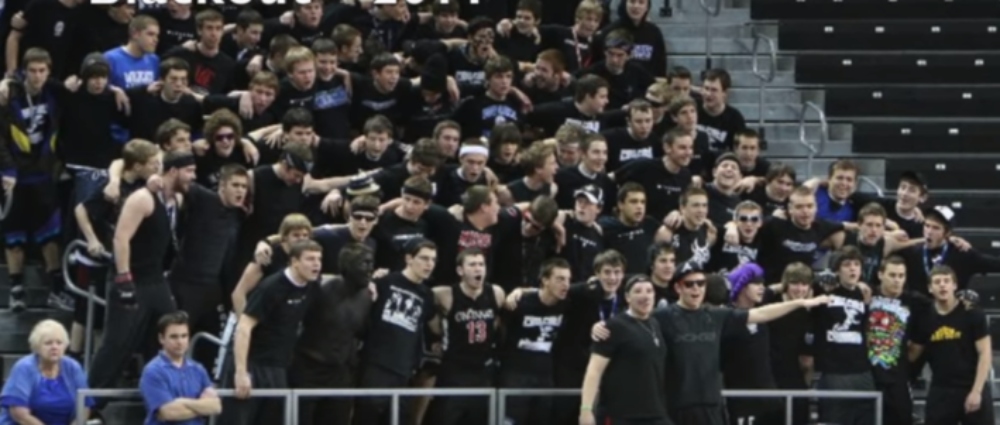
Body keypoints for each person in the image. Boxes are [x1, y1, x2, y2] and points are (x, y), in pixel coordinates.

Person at [592, 264, 831, 425]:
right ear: (678, 288)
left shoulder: (716, 316)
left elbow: (762, 313)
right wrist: (600, 327)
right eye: (689, 284)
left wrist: (799, 302)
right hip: (675, 409)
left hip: (713, 409)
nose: (696, 288)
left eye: (700, 283)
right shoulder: (661, 318)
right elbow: (632, 319)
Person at [89, 150, 197, 391]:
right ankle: (88, 406)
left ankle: (163, 400)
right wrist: (124, 279)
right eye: (189, 171)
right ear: (172, 171)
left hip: (156, 280)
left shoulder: (176, 200)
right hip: (131, 279)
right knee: (117, 344)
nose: (193, 176)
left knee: (171, 336)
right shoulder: (143, 198)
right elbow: (120, 238)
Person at [220, 240, 322, 425]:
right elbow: (244, 327)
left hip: (277, 366)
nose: (316, 264)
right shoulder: (272, 287)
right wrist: (241, 372)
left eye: (319, 259)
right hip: (252, 362)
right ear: (294, 262)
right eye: (310, 259)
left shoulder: (312, 285)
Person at [352, 239, 438, 425]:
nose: (429, 264)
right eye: (424, 258)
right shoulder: (385, 282)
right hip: (376, 364)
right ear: (409, 258)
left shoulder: (427, 294)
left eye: (432, 260)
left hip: (405, 369)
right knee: (367, 416)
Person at [290, 243, 376, 425]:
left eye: (371, 264)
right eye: (364, 264)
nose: (370, 270)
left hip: (340, 374)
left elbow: (359, 333)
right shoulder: (321, 289)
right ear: (348, 266)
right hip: (308, 370)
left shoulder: (367, 297)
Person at [424, 248, 505, 425]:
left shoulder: (496, 293)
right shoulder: (445, 294)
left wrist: (519, 291)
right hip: (454, 370)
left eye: (481, 264)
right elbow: (420, 294)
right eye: (472, 264)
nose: (478, 269)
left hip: (484, 369)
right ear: (460, 270)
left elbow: (500, 323)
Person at [579, 274, 671, 425]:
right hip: (622, 416)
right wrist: (586, 410)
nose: (645, 296)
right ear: (627, 297)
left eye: (649, 291)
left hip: (656, 412)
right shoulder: (613, 327)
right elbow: (594, 371)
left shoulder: (655, 324)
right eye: (638, 291)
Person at [909, 265, 994, 425]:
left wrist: (976, 391)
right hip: (941, 389)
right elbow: (913, 353)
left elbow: (985, 353)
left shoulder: (972, 313)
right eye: (937, 282)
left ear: (954, 285)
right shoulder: (925, 318)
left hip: (972, 385)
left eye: (947, 281)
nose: (942, 285)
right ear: (930, 288)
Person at [0, 320, 93, 424]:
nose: (54, 347)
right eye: (48, 343)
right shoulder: (24, 367)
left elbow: (85, 406)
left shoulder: (73, 367)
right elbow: (20, 414)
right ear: (37, 347)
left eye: (59, 343)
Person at [139, 311, 221, 425]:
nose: (180, 342)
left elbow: (215, 406)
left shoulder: (198, 369)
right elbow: (169, 413)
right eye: (174, 337)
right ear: (161, 338)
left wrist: (183, 402)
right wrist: (201, 406)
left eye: (184, 336)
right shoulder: (153, 371)